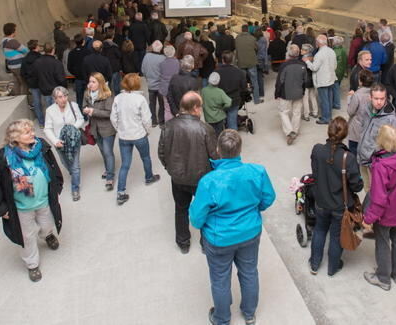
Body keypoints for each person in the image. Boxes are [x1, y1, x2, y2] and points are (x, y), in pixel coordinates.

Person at [189, 129, 276, 325]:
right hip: (250, 233)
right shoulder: (257, 172)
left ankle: (222, 318)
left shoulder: (209, 181)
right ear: (240, 149)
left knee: (220, 278)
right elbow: (268, 197)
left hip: (219, 238)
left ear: (218, 150)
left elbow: (196, 218)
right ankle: (249, 313)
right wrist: (253, 211)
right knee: (249, 272)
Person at [0, 119, 63, 282]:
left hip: (44, 201)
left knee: (47, 225)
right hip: (22, 208)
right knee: (27, 237)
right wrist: (2, 209)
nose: (33, 134)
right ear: (15, 137)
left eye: (32, 130)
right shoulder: (2, 158)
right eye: (27, 132)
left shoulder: (41, 147)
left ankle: (47, 235)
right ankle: (32, 265)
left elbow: (53, 165)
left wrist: (57, 185)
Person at [159, 92, 218, 253]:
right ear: (195, 108)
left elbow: (161, 153)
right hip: (202, 179)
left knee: (180, 208)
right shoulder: (205, 128)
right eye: (201, 107)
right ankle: (205, 244)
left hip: (177, 179)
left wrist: (171, 168)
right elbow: (215, 156)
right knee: (206, 210)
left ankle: (183, 242)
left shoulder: (168, 126)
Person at [308, 117, 363, 277]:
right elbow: (357, 186)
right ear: (345, 134)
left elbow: (315, 172)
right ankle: (333, 267)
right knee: (336, 236)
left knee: (319, 230)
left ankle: (314, 264)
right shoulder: (348, 158)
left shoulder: (317, 150)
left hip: (321, 201)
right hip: (340, 206)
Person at [362, 124, 396, 290]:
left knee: (382, 243)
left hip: (387, 213)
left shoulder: (381, 165)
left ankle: (383, 278)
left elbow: (378, 198)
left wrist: (368, 218)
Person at [111, 73, 160, 205]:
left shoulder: (118, 98)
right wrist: (147, 131)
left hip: (124, 137)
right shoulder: (140, 99)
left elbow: (113, 118)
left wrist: (119, 129)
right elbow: (146, 119)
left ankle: (120, 192)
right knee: (146, 157)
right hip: (139, 135)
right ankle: (149, 177)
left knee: (125, 164)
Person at [356, 83, 396, 192]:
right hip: (363, 160)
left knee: (375, 194)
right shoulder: (366, 109)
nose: (379, 102)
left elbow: (392, 148)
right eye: (376, 98)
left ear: (386, 98)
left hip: (374, 165)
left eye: (382, 98)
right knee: (367, 190)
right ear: (370, 97)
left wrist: (375, 161)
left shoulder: (391, 120)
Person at [43, 86, 84, 201]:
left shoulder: (73, 106)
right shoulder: (50, 110)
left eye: (65, 96)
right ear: (55, 99)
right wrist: (55, 141)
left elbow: (80, 119)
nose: (63, 99)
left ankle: (75, 189)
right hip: (60, 142)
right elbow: (47, 128)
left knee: (75, 166)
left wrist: (72, 129)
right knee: (65, 163)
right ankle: (73, 173)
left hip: (74, 141)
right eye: (60, 97)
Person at [82, 72, 117, 191]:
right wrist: (85, 110)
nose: (90, 84)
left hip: (107, 128)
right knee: (103, 151)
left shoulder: (108, 95)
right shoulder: (87, 94)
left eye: (93, 82)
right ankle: (108, 169)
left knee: (108, 152)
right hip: (94, 129)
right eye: (89, 81)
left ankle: (110, 177)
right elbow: (83, 106)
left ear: (100, 83)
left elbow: (109, 113)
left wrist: (92, 111)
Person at [275, 44, 307, 145]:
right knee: (297, 112)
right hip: (298, 92)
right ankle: (295, 131)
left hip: (285, 93)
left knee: (283, 112)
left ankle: (289, 132)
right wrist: (303, 91)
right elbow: (305, 80)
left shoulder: (284, 65)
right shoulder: (303, 65)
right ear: (298, 54)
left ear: (289, 53)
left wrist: (277, 93)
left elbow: (280, 81)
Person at [304, 35, 337, 124]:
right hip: (331, 78)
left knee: (323, 101)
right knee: (329, 99)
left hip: (322, 80)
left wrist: (307, 61)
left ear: (318, 43)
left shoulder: (319, 54)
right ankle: (329, 116)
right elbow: (335, 65)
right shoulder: (331, 51)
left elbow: (314, 68)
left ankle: (325, 119)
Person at [32, 43, 66, 117]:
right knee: (58, 109)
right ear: (53, 50)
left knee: (49, 108)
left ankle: (51, 123)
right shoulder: (57, 63)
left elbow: (35, 76)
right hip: (56, 90)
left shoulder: (37, 62)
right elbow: (61, 78)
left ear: (44, 51)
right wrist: (64, 88)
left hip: (44, 90)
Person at [215, 51, 247, 131]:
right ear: (233, 60)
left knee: (221, 122)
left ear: (222, 60)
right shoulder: (239, 72)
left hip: (220, 100)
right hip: (234, 100)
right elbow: (244, 88)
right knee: (232, 122)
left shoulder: (216, 72)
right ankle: (232, 140)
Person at [347, 69, 375, 156]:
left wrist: (349, 98)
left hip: (356, 130)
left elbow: (350, 112)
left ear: (360, 81)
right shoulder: (374, 93)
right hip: (369, 129)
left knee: (353, 152)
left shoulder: (357, 95)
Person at [141, 40, 166, 127]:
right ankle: (162, 121)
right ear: (161, 48)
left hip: (151, 84)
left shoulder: (146, 56)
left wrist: (148, 78)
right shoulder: (163, 58)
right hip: (160, 85)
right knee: (162, 104)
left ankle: (153, 121)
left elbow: (143, 70)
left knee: (152, 103)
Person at [21, 40, 45, 126]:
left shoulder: (25, 59)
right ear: (36, 47)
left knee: (37, 102)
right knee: (48, 101)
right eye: (38, 45)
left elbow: (22, 73)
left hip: (32, 84)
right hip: (42, 82)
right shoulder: (40, 58)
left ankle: (41, 122)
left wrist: (28, 80)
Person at [235, 25, 260, 105]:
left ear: (242, 30)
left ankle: (244, 99)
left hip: (241, 62)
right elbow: (257, 48)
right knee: (254, 81)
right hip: (251, 62)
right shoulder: (252, 38)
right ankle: (256, 100)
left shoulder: (237, 39)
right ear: (248, 30)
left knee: (242, 82)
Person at [1, 22, 28, 95]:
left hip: (11, 65)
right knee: (24, 83)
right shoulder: (12, 41)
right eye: (15, 30)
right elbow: (25, 50)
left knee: (16, 82)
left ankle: (17, 97)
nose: (16, 31)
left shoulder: (3, 40)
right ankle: (24, 99)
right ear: (12, 31)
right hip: (18, 66)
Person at [67, 34, 90, 106]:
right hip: (88, 78)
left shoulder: (71, 53)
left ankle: (79, 114)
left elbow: (69, 67)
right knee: (89, 98)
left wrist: (75, 73)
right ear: (83, 41)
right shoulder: (88, 51)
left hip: (78, 79)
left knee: (79, 99)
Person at [300, 43, 319, 122]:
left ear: (306, 51)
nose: (301, 50)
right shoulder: (313, 57)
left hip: (305, 80)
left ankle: (306, 115)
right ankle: (315, 112)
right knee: (313, 97)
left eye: (302, 49)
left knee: (305, 98)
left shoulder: (304, 59)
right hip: (312, 80)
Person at [332, 36, 347, 111]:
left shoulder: (335, 51)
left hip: (336, 72)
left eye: (333, 41)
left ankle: (336, 104)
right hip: (341, 71)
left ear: (335, 42)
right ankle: (335, 102)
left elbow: (334, 63)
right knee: (337, 88)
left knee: (335, 88)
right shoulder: (343, 49)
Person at [255, 29, 270, 103]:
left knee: (254, 77)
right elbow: (265, 52)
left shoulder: (254, 40)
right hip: (261, 60)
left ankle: (256, 93)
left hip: (254, 59)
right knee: (260, 77)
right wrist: (266, 63)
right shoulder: (264, 40)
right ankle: (261, 93)